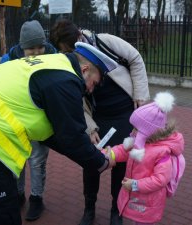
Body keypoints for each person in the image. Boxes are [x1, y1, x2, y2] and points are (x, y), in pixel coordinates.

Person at [0, 42, 117, 225]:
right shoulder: (66, 80)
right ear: (85, 69)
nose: (91, 89)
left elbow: (57, 136)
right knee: (1, 216)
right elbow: (72, 138)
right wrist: (101, 161)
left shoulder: (50, 64)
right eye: (94, 82)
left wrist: (90, 153)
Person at [50, 19, 150, 225]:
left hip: (124, 113)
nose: (70, 54)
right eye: (65, 51)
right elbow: (76, 99)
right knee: (91, 160)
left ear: (78, 38)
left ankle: (117, 210)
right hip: (98, 116)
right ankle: (89, 208)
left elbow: (135, 58)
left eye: (70, 49)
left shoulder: (105, 41)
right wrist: (89, 127)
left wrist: (140, 93)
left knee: (121, 162)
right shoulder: (68, 63)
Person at [0, 20, 56, 221]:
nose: (37, 52)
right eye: (31, 48)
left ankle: (36, 198)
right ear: (22, 47)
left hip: (40, 120)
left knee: (37, 160)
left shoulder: (54, 58)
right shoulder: (8, 61)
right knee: (18, 159)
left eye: (40, 46)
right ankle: (17, 194)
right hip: (15, 120)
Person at [103, 92, 185, 225]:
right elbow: (123, 151)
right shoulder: (140, 142)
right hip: (138, 197)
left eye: (136, 129)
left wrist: (135, 185)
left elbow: (161, 179)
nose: (133, 132)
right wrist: (108, 153)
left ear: (147, 131)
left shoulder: (162, 152)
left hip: (149, 201)